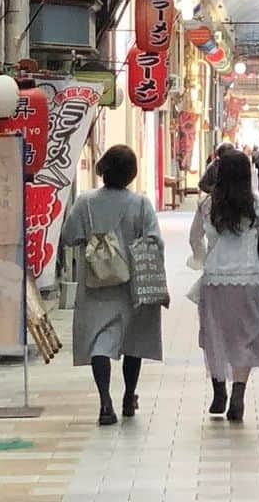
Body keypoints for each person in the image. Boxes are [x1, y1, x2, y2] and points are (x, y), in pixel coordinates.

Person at [60, 144, 163, 425]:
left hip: (96, 284)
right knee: (133, 340)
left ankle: (105, 402)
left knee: (99, 342)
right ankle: (129, 395)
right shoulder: (140, 204)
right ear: (131, 173)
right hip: (131, 282)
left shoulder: (84, 202)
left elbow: (69, 237)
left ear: (104, 169)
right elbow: (155, 241)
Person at [189, 150, 259, 422]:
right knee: (246, 336)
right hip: (249, 278)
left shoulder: (207, 205)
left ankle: (219, 390)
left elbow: (194, 239)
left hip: (215, 280)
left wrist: (204, 260)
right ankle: (238, 393)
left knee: (215, 334)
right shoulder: (257, 205)